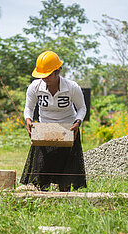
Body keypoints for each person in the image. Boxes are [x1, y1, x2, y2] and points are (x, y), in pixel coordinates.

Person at [20, 51, 87, 191]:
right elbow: (28, 107)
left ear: (58, 72)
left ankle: (65, 198)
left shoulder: (72, 87)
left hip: (68, 129)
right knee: (42, 170)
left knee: (66, 172)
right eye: (42, 75)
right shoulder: (35, 87)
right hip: (44, 129)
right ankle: (43, 197)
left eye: (48, 75)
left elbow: (82, 108)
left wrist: (77, 123)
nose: (45, 78)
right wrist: (28, 120)